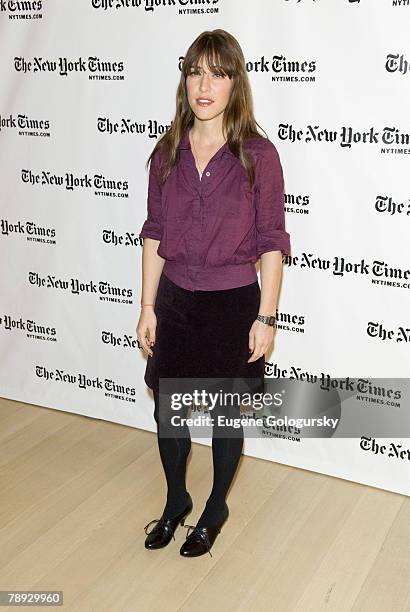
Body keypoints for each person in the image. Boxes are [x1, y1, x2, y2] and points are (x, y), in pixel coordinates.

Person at [136, 29, 291, 558]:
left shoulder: (258, 155)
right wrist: (148, 307)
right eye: (195, 71)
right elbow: (155, 232)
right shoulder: (166, 153)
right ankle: (177, 499)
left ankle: (215, 507)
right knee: (167, 415)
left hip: (233, 304)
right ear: (184, 81)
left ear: (235, 83)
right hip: (176, 300)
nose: (204, 84)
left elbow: (272, 241)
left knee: (226, 416)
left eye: (218, 73)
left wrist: (266, 317)